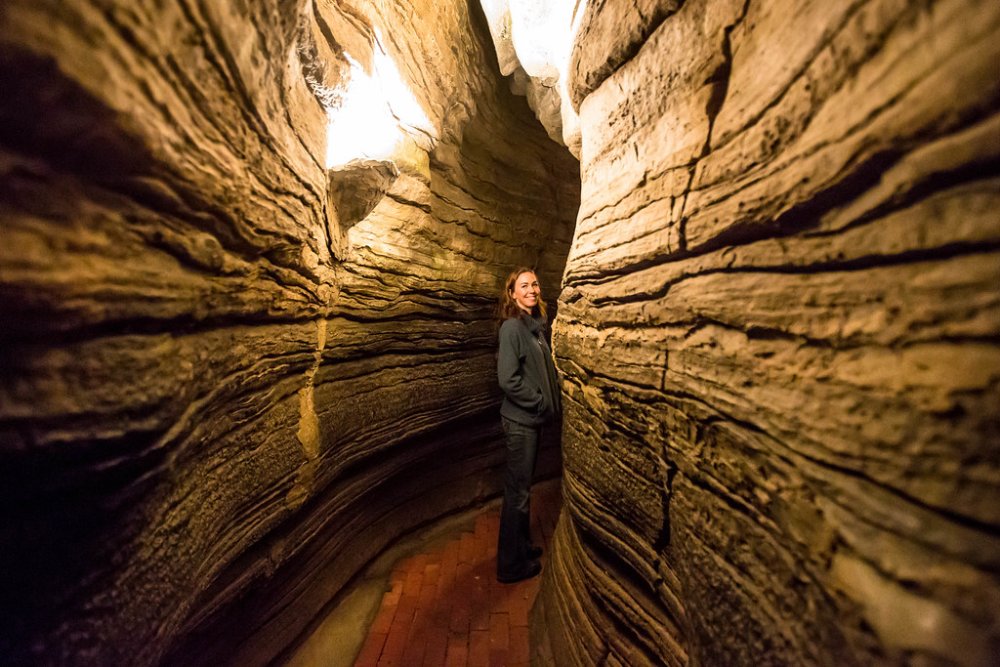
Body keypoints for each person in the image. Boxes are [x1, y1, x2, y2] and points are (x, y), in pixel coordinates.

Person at [495, 267, 562, 583]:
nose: (532, 289)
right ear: (512, 293)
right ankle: (510, 566)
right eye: (524, 285)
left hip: (530, 422)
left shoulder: (535, 328)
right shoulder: (512, 328)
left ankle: (521, 547)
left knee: (522, 489)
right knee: (518, 493)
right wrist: (539, 402)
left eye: (535, 283)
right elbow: (508, 379)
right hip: (521, 422)